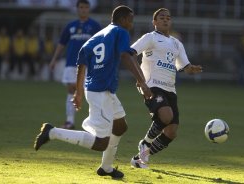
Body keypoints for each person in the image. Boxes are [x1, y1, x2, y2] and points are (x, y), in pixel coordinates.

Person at [34, 5, 152, 179]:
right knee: (100, 143)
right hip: (100, 93)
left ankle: (106, 167)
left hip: (100, 90)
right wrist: (142, 82)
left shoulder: (97, 35)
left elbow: (81, 60)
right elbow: (126, 56)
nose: (131, 24)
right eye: (131, 21)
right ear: (124, 19)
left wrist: (79, 92)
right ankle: (52, 132)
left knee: (120, 126)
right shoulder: (121, 32)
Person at [129, 8, 202, 169]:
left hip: (170, 89)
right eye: (161, 17)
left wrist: (192, 69)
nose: (165, 20)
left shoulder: (177, 43)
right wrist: (140, 80)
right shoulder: (150, 38)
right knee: (166, 115)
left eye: (168, 18)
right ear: (154, 22)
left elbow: (184, 66)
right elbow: (130, 53)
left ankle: (139, 159)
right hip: (152, 85)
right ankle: (145, 143)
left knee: (171, 132)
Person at [49, 0, 101, 129]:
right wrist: (54, 59)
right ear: (77, 9)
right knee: (71, 90)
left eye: (86, 7)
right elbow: (62, 44)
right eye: (81, 7)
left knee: (90, 92)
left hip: (89, 64)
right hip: (71, 63)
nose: (83, 10)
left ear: (89, 9)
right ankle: (70, 121)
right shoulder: (70, 26)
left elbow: (101, 45)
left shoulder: (95, 26)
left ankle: (96, 122)